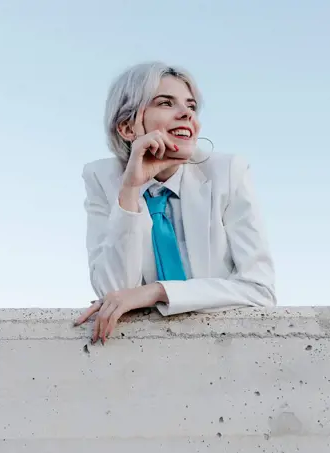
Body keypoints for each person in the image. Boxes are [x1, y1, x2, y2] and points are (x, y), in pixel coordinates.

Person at [73, 62, 276, 344]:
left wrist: (158, 291)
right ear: (127, 127)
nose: (186, 114)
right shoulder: (101, 178)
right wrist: (130, 190)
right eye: (166, 103)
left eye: (191, 106)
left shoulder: (229, 172)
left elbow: (259, 290)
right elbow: (114, 292)